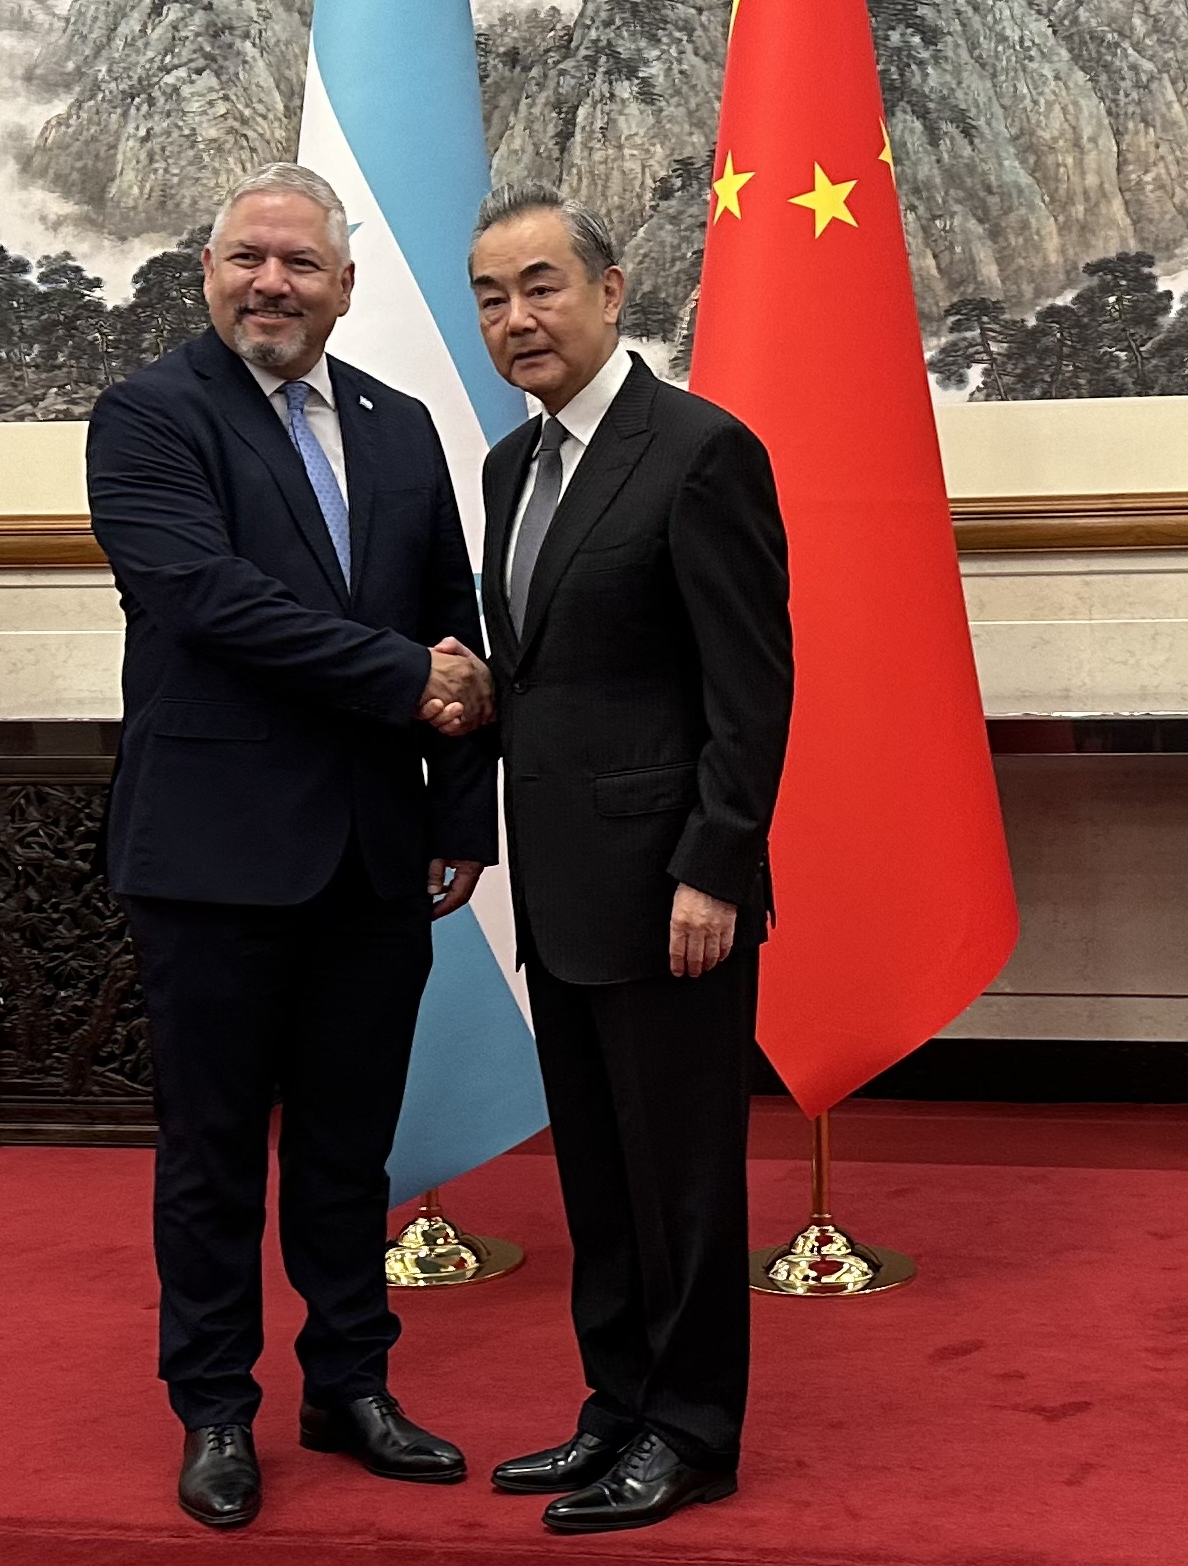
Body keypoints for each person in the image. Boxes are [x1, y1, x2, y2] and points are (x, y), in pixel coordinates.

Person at [84, 161, 498, 1532]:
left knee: (347, 1145)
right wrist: (405, 683)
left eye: (300, 263)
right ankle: (214, 1408)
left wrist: (458, 805)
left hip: (375, 856)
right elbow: (209, 603)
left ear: (345, 286)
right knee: (211, 1153)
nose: (272, 282)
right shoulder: (148, 416)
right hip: (211, 857)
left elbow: (459, 626)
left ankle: (349, 1384)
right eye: (247, 258)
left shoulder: (396, 425)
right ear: (206, 271)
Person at [462, 187, 791, 1536]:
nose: (516, 318)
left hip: (673, 898)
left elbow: (751, 687)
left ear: (611, 288)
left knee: (686, 1177)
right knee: (598, 1177)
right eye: (490, 295)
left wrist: (715, 863)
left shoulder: (701, 451)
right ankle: (618, 1408)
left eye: (541, 285)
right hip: (559, 890)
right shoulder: (506, 468)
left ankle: (695, 1432)